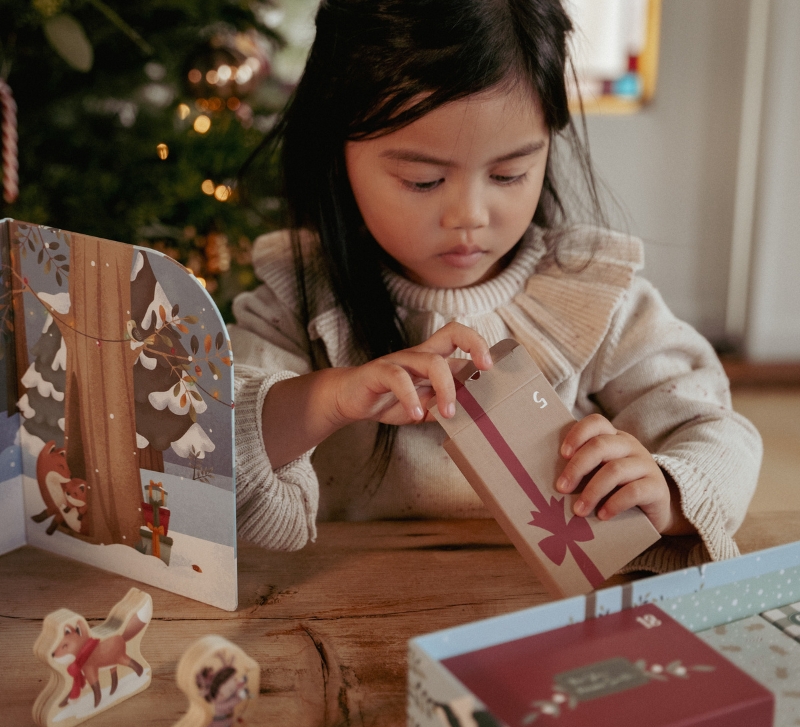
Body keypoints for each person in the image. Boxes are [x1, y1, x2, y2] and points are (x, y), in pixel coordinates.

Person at [229, 0, 761, 573]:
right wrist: (328, 398)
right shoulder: (297, 296)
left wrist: (666, 489)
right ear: (340, 150)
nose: (470, 215)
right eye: (423, 180)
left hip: (535, 618)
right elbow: (207, 452)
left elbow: (717, 432)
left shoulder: (593, 294)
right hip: (343, 610)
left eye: (509, 174)